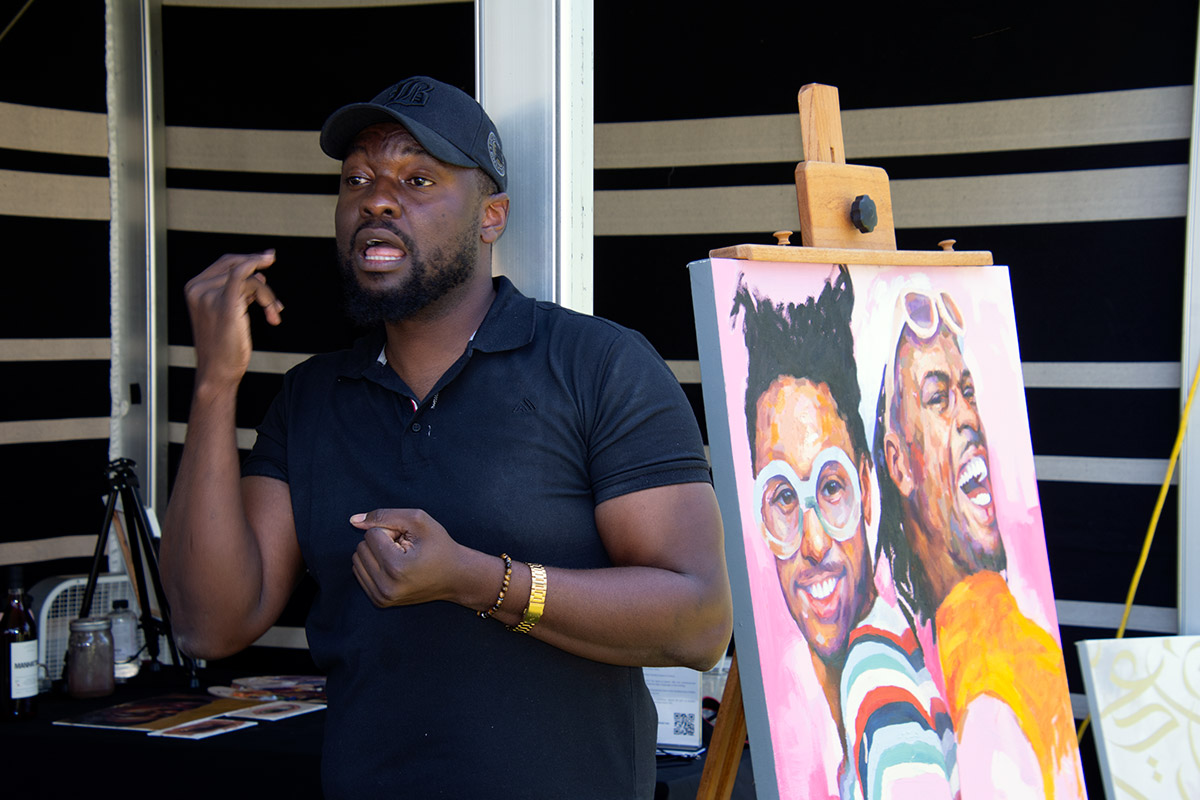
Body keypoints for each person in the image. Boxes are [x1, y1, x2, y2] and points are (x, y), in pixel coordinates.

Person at [160, 76, 733, 799]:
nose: (376, 198)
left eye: (417, 177)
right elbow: (210, 626)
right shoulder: (312, 397)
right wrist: (214, 385)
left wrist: (474, 580)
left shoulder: (599, 365)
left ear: (491, 217)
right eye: (357, 179)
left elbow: (700, 618)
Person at [733, 267, 954, 800]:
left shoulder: (875, 677)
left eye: (831, 487)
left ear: (868, 486)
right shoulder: (880, 657)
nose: (811, 542)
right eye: (784, 496)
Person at [874, 284, 1084, 798]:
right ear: (899, 462)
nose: (968, 415)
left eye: (967, 392)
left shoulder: (990, 673)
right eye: (939, 397)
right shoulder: (947, 666)